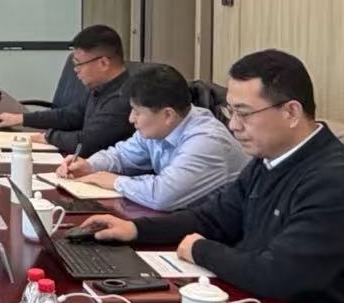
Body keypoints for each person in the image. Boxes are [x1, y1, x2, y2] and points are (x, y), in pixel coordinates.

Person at [77, 49, 344, 303]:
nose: (233, 125)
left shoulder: (334, 181)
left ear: (291, 112)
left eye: (244, 114)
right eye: (230, 112)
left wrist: (200, 249)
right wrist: (136, 230)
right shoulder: (268, 160)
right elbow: (213, 218)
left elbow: (277, 274)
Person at [56, 62, 247, 210]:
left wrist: (114, 181)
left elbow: (163, 196)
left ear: (167, 115)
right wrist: (89, 165)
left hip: (225, 236)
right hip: (186, 219)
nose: (131, 119)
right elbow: (121, 155)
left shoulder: (206, 140)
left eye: (137, 112)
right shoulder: (160, 128)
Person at [0, 24, 133, 156]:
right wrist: (21, 118)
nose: (76, 70)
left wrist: (48, 137)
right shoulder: (99, 86)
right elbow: (71, 116)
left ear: (103, 63)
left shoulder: (124, 97)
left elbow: (88, 142)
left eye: (79, 64)